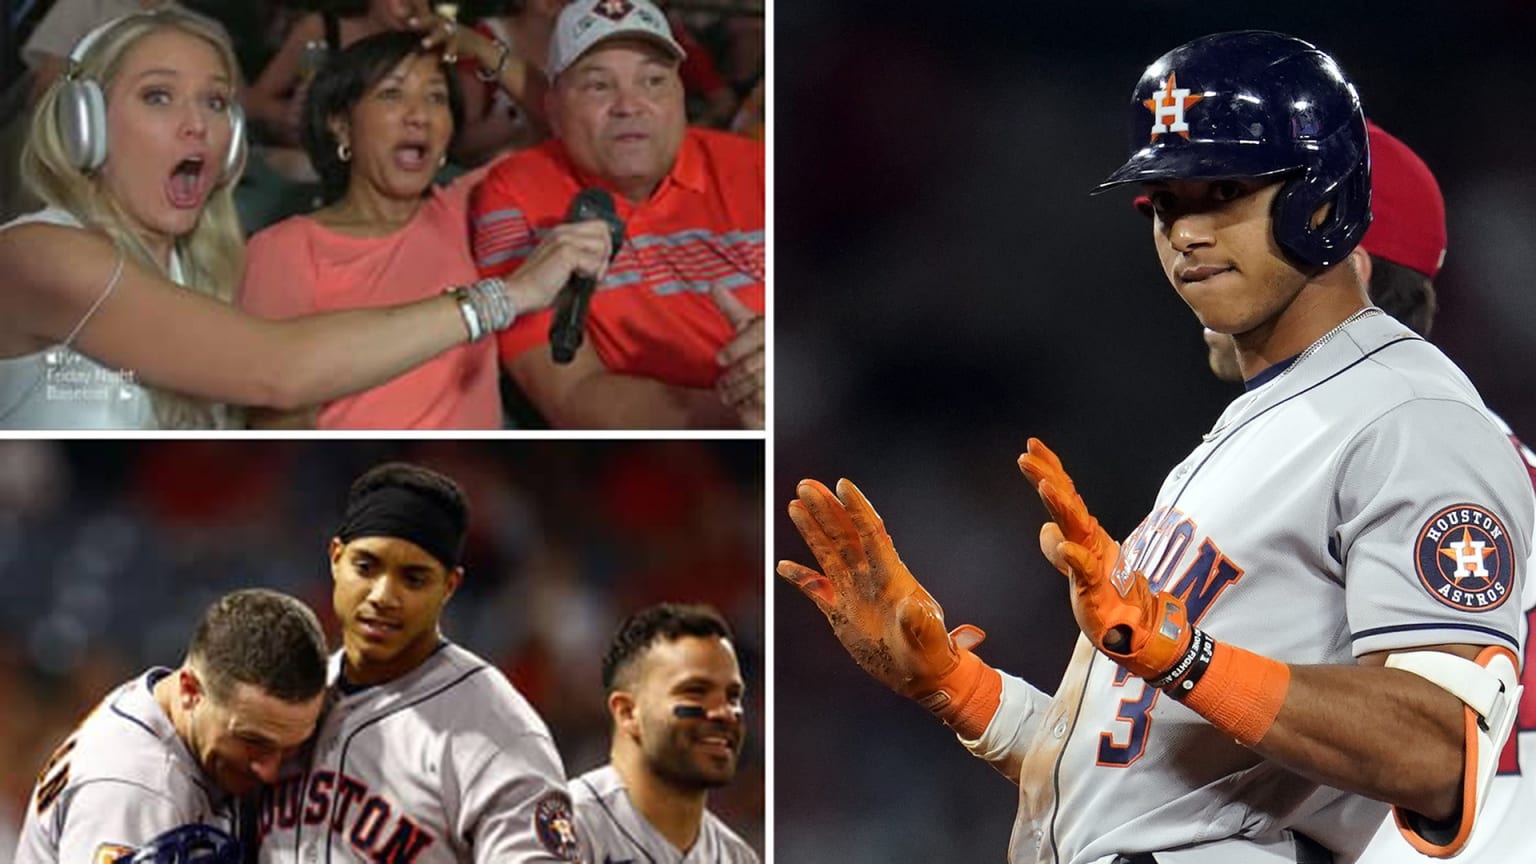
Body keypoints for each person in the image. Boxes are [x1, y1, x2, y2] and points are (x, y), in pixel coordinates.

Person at [778, 30, 1535, 863]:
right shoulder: (1262, 428)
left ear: (1326, 201)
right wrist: (960, 689)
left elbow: (1437, 752)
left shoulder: (1409, 414)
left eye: (1222, 192)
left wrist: (1183, 653)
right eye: (1166, 204)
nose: (1187, 233)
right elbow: (1138, 772)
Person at [0, 10, 610, 429]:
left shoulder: (204, 273)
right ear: (87, 123)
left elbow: (594, 136)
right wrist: (505, 297)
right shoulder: (44, 255)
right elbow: (278, 372)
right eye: (158, 96)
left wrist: (483, 50)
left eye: (215, 101)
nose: (198, 125)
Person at [239, 18, 614, 429]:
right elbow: (276, 415)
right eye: (392, 94)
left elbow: (570, 129)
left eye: (436, 97)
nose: (419, 115)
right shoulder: (284, 247)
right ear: (341, 125)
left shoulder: (468, 209)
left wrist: (483, 49)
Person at [253, 462, 582, 862]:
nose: (383, 596)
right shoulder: (289, 701)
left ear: (449, 586)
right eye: (366, 567)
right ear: (336, 558)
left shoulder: (496, 729)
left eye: (413, 578)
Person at [470, 0, 765, 429]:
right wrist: (742, 408)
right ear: (552, 107)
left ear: (682, 96)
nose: (630, 105)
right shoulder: (515, 193)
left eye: (653, 81)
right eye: (598, 86)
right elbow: (570, 392)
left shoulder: (760, 168)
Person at [14, 588, 329, 864]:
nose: (270, 770)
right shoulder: (138, 788)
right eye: (253, 740)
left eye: (290, 746)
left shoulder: (158, 703)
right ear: (190, 691)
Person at [572, 602, 759, 863]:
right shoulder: (568, 827)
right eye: (695, 691)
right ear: (628, 713)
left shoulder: (738, 857)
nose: (724, 713)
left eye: (732, 697)